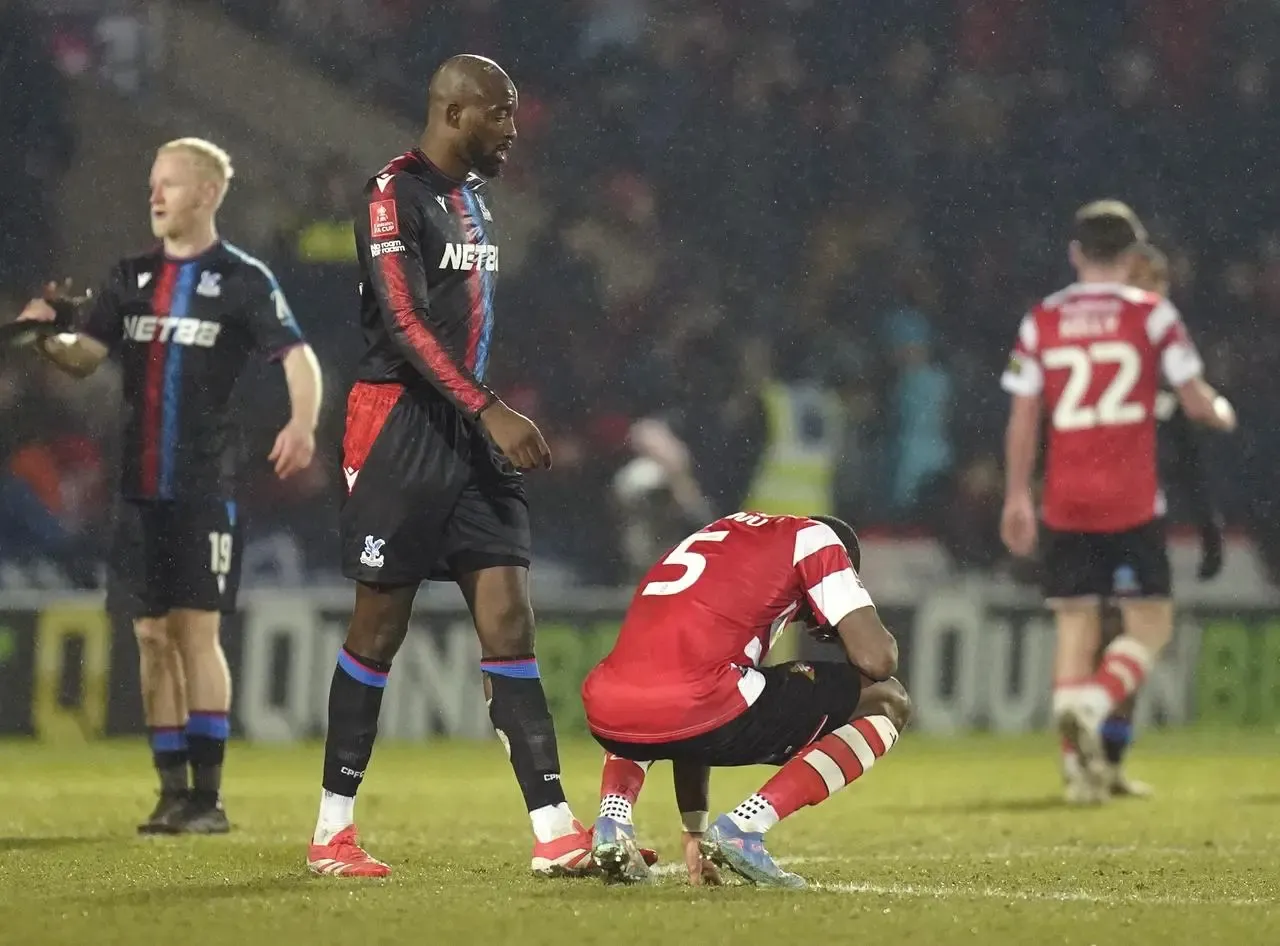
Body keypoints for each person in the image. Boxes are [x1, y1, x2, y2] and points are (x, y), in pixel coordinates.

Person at [306, 55, 589, 879]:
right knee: (379, 629)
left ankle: (554, 830)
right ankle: (332, 832)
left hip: (469, 430)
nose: (512, 129)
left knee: (509, 621)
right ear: (456, 111)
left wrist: (481, 414)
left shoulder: (476, 201)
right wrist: (489, 407)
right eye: (501, 114)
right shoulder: (393, 194)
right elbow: (400, 322)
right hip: (398, 425)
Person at [16, 137, 322, 833]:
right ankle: (170, 792)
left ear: (208, 194)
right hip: (137, 488)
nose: (154, 196)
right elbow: (82, 359)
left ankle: (208, 800)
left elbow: (296, 355)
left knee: (195, 633)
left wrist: (302, 423)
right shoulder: (129, 278)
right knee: (152, 636)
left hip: (205, 485)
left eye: (170, 185)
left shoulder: (243, 280)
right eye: (152, 184)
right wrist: (43, 335)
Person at [999, 201, 1236, 804]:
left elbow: (1024, 415)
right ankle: (1099, 700)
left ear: (1076, 253)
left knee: (1075, 624)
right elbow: (1195, 399)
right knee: (1150, 625)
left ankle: (1079, 775)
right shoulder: (1153, 314)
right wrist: (1221, 409)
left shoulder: (1041, 319)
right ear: (1133, 257)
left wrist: (1016, 496)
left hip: (1064, 500)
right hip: (1131, 501)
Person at [580, 511, 910, 888]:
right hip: (695, 701)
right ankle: (747, 826)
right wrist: (846, 625)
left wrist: (694, 831)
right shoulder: (816, 538)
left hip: (608, 707)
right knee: (889, 700)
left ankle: (613, 820)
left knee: (658, 688)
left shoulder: (724, 537)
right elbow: (877, 658)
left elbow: (686, 720)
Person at [1074, 242, 1224, 799]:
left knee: (1127, 636)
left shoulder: (1166, 368)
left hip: (1142, 524)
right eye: (1146, 283)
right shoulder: (1101, 355)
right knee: (1109, 633)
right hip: (1096, 520)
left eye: (1160, 285)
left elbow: (1187, 455)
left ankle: (1107, 757)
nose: (1156, 295)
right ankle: (1086, 751)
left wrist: (1208, 523)